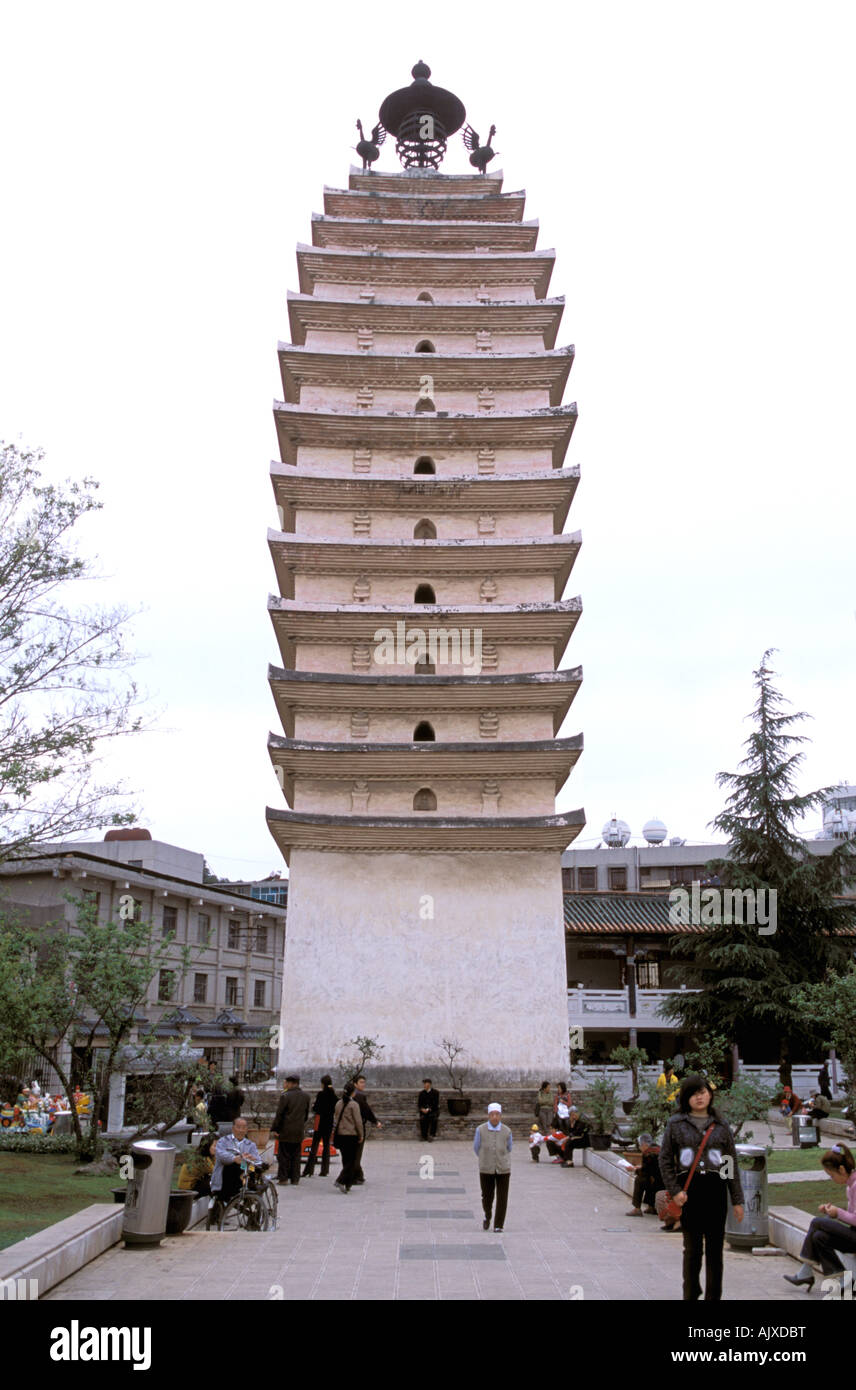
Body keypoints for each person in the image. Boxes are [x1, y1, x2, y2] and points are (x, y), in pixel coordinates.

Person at [659, 1074, 745, 1301]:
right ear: (686, 1097)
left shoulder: (721, 1125)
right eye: (694, 1093)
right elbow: (665, 1160)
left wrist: (737, 1200)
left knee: (716, 1250)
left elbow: (729, 1162)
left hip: (715, 1190)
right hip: (689, 1191)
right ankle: (691, 1292)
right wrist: (675, 1190)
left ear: (710, 1094)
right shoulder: (676, 1124)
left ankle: (713, 1296)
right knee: (693, 1250)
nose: (700, 1097)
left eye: (703, 1092)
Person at [784, 1143, 856, 1291]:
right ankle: (842, 1279)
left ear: (841, 1170)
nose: (831, 1179)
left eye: (831, 1175)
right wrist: (832, 1212)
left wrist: (838, 1213)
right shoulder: (850, 1186)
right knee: (819, 1237)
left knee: (817, 1222)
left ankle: (805, 1271)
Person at [474, 1102, 512, 1232]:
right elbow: (476, 1147)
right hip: (486, 1168)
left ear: (501, 1116)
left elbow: (509, 1147)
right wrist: (485, 1157)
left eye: (497, 1114)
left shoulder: (507, 1131)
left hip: (503, 1168)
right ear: (488, 1116)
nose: (495, 1117)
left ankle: (498, 1225)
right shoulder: (480, 1130)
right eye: (492, 1114)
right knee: (487, 1196)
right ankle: (487, 1214)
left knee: (502, 1197)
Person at [209, 1116, 261, 1208]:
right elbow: (220, 1155)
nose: (241, 1130)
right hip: (226, 1176)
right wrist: (235, 1158)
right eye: (239, 1127)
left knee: (252, 1168)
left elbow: (258, 1160)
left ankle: (251, 1190)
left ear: (247, 1130)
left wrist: (252, 1158)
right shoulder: (223, 1141)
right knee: (232, 1166)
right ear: (233, 1128)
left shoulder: (250, 1145)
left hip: (245, 1174)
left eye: (244, 1127)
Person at [270, 1075, 310, 1186]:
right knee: (296, 1155)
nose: (285, 1085)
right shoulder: (306, 1096)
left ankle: (283, 1178)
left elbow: (280, 1114)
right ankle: (295, 1178)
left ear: (291, 1083)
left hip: (286, 1130)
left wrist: (275, 1128)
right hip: (298, 1130)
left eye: (286, 1083)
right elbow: (306, 1114)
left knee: (284, 1155)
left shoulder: (285, 1096)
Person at [332, 1082, 364, 1194]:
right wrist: (361, 1135)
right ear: (353, 1092)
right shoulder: (353, 1105)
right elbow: (358, 1122)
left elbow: (335, 1119)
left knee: (346, 1160)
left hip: (340, 1135)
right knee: (352, 1161)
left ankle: (348, 1183)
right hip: (351, 1135)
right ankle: (341, 1180)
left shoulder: (338, 1103)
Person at [303, 1075, 338, 1177]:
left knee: (314, 1146)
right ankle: (324, 1170)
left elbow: (316, 1108)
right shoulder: (334, 1095)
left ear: (323, 1084)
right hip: (329, 1122)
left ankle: (309, 1170)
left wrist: (314, 1106)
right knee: (326, 1146)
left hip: (320, 1122)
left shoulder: (321, 1094)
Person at [352, 1075, 381, 1185]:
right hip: (358, 1127)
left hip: (350, 1128)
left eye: (364, 1082)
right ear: (355, 1084)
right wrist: (375, 1121)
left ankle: (359, 1175)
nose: (363, 1084)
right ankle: (356, 1176)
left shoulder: (351, 1095)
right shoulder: (359, 1096)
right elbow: (367, 1111)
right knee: (357, 1153)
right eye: (361, 1082)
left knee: (354, 1153)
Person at [626, 1133, 665, 1215]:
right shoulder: (658, 1149)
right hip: (664, 1181)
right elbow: (651, 1168)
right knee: (650, 1178)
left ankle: (637, 1208)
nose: (640, 1148)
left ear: (644, 1144)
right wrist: (640, 1167)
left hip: (657, 1183)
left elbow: (644, 1172)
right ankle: (651, 1207)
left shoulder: (648, 1153)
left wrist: (633, 1169)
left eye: (640, 1145)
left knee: (640, 1179)